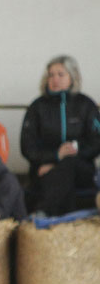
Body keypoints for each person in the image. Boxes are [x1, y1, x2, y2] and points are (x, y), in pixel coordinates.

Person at [21, 55, 100, 216]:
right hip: (43, 168)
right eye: (51, 74)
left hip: (81, 169)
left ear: (73, 77)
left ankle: (43, 212)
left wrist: (65, 159)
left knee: (68, 164)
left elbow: (96, 143)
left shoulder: (86, 105)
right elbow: (27, 146)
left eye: (60, 74)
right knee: (61, 178)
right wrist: (55, 155)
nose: (55, 79)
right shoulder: (37, 107)